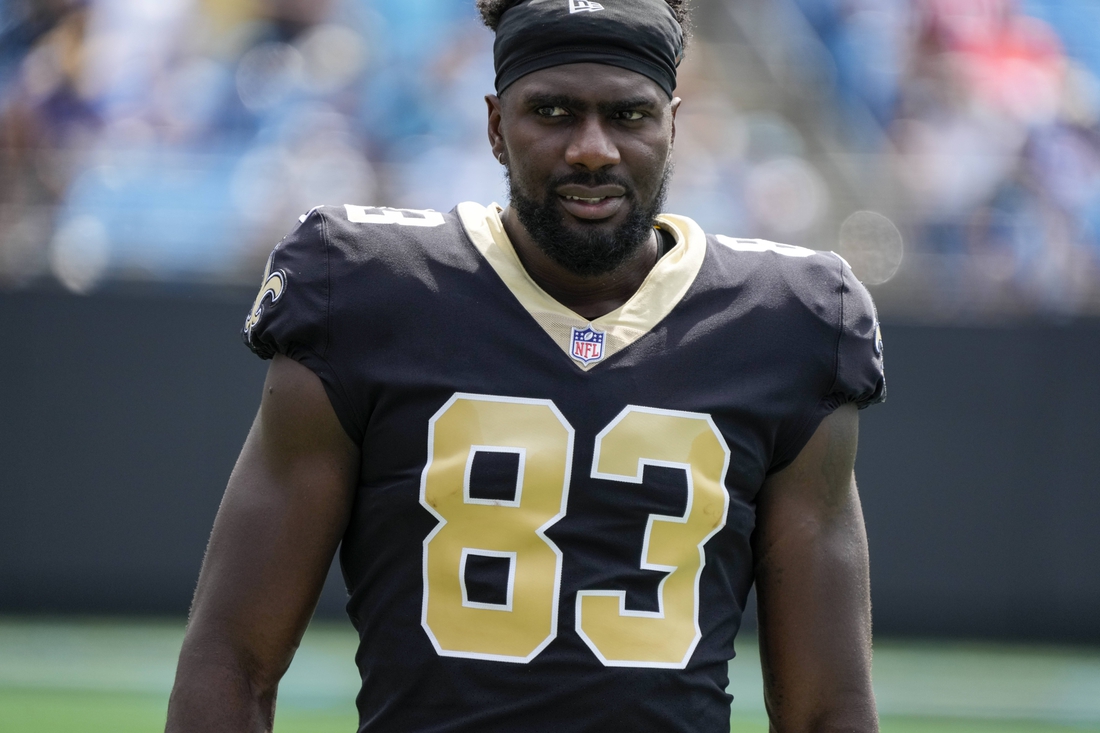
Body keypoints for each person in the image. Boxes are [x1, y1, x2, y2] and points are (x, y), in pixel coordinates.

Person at [165, 0, 886, 730]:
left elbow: (828, 706)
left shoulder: (787, 321)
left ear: (674, 124)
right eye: (554, 111)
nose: (593, 149)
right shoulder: (367, 289)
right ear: (494, 126)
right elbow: (233, 656)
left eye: (629, 116)